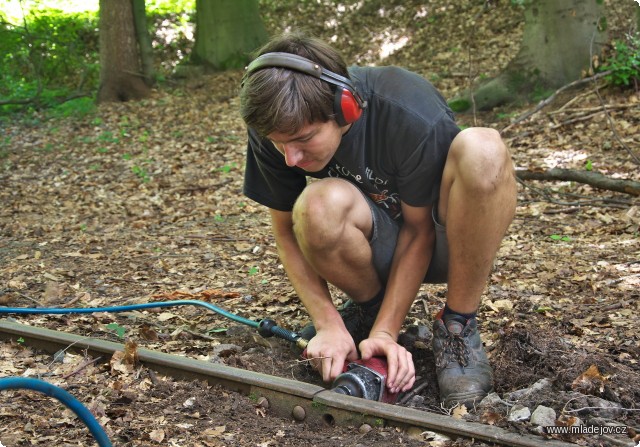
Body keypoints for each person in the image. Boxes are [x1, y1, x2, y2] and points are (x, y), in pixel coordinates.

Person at [239, 31, 517, 408]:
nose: (290, 157)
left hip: (447, 239)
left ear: (346, 108)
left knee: (483, 148)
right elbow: (286, 231)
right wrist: (327, 323)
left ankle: (457, 325)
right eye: (278, 143)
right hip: (378, 245)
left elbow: (419, 231)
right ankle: (367, 314)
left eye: (304, 139)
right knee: (316, 205)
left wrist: (389, 331)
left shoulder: (405, 106)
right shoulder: (278, 126)